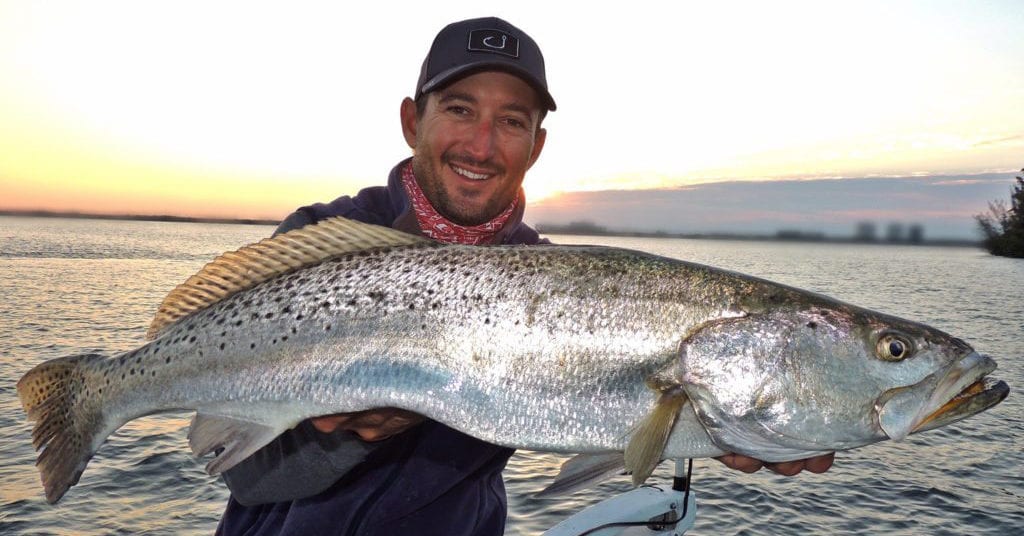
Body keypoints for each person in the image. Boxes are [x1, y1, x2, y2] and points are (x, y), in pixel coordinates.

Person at [215, 16, 833, 536]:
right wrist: (353, 434)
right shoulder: (322, 245)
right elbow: (251, 478)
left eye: (512, 121)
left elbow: (623, 420)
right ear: (412, 121)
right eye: (459, 109)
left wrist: (744, 422)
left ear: (536, 145)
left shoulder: (561, 283)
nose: (482, 146)